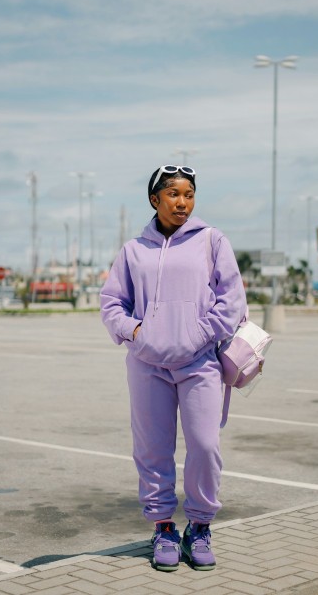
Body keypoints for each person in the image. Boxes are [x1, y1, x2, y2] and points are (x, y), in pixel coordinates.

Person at [100, 165, 247, 572]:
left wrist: (197, 333)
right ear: (155, 200)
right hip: (147, 364)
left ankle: (199, 527)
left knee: (204, 445)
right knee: (152, 450)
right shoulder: (133, 251)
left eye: (189, 194)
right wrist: (136, 331)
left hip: (199, 362)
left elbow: (231, 301)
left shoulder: (212, 242)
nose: (182, 202)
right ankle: (163, 528)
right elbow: (111, 303)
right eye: (173, 194)